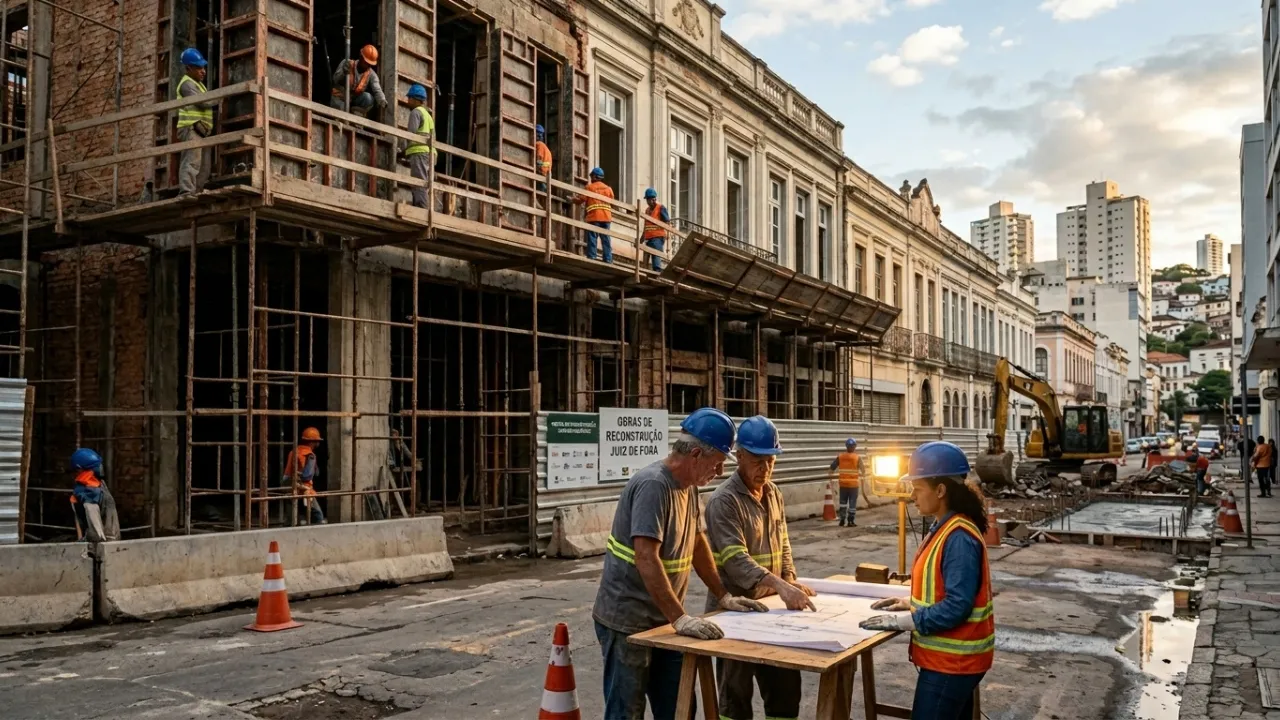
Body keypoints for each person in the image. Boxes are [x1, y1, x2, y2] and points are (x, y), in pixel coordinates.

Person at [592, 407, 769, 719]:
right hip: (628, 621)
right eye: (716, 465)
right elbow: (646, 557)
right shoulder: (654, 485)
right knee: (626, 711)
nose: (718, 473)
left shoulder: (688, 487)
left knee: (679, 708)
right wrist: (681, 619)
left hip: (664, 619)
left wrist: (723, 594)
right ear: (696, 454)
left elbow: (698, 542)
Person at [859, 441, 995, 720]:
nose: (912, 496)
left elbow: (958, 606)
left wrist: (905, 621)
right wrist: (909, 602)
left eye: (918, 489)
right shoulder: (944, 527)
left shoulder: (958, 537)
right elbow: (943, 590)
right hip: (952, 662)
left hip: (952, 663)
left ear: (941, 490)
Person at [704, 415, 815, 720]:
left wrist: (790, 578)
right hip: (734, 615)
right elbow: (736, 561)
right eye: (757, 460)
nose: (764, 469)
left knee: (784, 691)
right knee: (734, 699)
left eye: (770, 461)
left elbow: (784, 543)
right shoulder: (724, 501)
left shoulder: (773, 493)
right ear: (739, 456)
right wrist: (782, 586)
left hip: (773, 614)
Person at [175, 48, 216, 194]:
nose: (203, 71)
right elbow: (202, 102)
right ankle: (186, 191)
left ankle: (196, 192)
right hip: (190, 128)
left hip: (202, 130)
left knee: (204, 166)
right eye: (198, 67)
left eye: (203, 67)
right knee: (191, 161)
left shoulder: (199, 85)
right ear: (188, 68)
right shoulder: (187, 84)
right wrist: (220, 97)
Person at [68, 448, 119, 543]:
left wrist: (95, 536)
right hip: (113, 541)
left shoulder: (88, 492)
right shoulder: (102, 487)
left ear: (79, 469)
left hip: (101, 543)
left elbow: (93, 517)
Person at [330, 44, 387, 117]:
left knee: (368, 98)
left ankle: (356, 115)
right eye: (366, 62)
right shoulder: (347, 63)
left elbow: (377, 89)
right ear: (361, 57)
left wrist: (382, 100)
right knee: (341, 115)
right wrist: (343, 72)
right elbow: (335, 79)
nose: (368, 66)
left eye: (370, 64)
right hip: (339, 97)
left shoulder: (371, 74)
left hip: (353, 100)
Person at [284, 427, 326, 525]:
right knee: (317, 515)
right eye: (317, 441)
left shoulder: (293, 451)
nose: (318, 443)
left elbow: (287, 473)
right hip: (304, 488)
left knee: (292, 519)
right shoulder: (310, 455)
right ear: (313, 442)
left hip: (289, 487)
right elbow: (307, 476)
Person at [402, 84, 434, 209]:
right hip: (428, 153)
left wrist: (403, 150)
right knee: (425, 182)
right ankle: (421, 205)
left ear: (415, 99)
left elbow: (411, 134)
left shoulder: (416, 112)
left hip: (418, 151)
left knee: (418, 181)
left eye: (409, 98)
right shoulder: (428, 115)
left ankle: (422, 208)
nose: (408, 101)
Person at [576, 167, 614, 263]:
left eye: (591, 176)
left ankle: (592, 256)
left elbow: (581, 200)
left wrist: (572, 199)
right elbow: (612, 201)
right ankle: (608, 259)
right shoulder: (608, 189)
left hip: (594, 217)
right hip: (606, 218)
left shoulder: (590, 187)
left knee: (592, 237)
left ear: (594, 176)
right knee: (606, 239)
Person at [829, 437, 863, 527]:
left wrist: (830, 475)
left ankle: (842, 520)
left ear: (846, 446)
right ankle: (851, 521)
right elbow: (863, 470)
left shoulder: (841, 457)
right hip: (853, 485)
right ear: (854, 447)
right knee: (852, 503)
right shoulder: (857, 457)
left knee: (842, 503)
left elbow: (832, 467)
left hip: (843, 484)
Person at [640, 188, 670, 272]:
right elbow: (646, 226)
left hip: (658, 237)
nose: (648, 202)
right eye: (647, 200)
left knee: (656, 256)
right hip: (648, 238)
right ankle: (644, 271)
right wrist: (641, 239)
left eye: (649, 200)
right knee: (646, 255)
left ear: (654, 199)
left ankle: (657, 272)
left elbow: (667, 221)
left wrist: (668, 235)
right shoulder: (647, 210)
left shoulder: (661, 208)